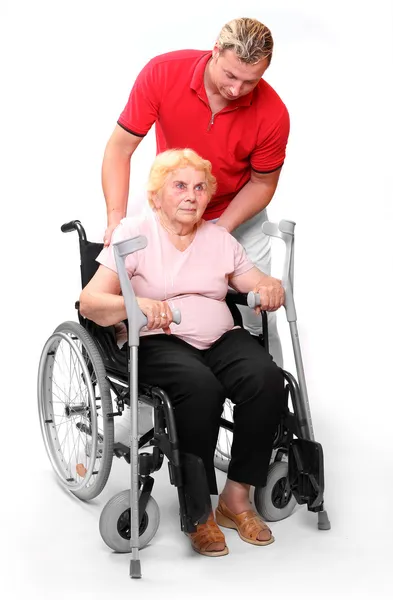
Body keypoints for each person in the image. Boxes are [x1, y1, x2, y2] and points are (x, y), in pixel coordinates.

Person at [80, 149, 286, 557]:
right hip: (157, 339)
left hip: (221, 336)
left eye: (199, 187)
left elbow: (255, 280)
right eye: (179, 186)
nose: (191, 196)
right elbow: (89, 302)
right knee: (199, 389)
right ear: (156, 195)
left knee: (266, 378)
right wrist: (133, 304)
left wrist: (271, 285)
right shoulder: (132, 235)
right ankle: (199, 514)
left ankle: (236, 498)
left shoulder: (219, 240)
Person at [101, 17, 290, 368]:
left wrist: (219, 232)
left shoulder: (273, 113)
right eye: (230, 76)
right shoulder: (163, 73)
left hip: (236, 209)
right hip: (172, 205)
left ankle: (268, 401)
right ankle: (147, 398)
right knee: (142, 300)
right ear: (215, 51)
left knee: (259, 311)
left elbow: (263, 183)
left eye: (250, 82)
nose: (236, 90)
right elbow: (119, 149)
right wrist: (115, 217)